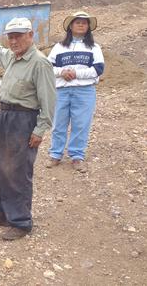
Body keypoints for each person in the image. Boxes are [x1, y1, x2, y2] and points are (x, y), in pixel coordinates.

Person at [0, 18, 56, 241]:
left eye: (18, 35)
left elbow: (49, 101)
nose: (13, 40)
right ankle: (0, 212)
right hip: (4, 116)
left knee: (17, 171)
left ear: (30, 35)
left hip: (23, 119)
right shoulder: (11, 57)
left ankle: (21, 221)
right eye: (10, 36)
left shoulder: (40, 63)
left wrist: (40, 130)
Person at [46, 11, 104, 172]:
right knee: (58, 123)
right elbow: (48, 67)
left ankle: (77, 156)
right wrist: (62, 72)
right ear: (70, 26)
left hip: (84, 91)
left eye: (84, 22)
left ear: (88, 27)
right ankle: (55, 155)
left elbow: (98, 69)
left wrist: (76, 74)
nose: (80, 24)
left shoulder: (94, 48)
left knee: (81, 124)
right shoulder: (59, 47)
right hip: (62, 90)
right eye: (77, 22)